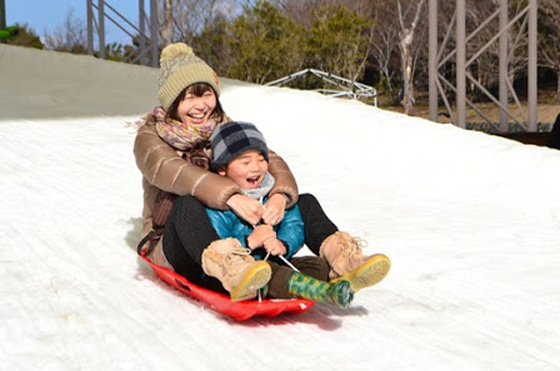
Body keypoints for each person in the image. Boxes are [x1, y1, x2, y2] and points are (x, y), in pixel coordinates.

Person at [134, 42, 390, 303]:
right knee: (187, 206)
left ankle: (343, 260)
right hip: (176, 239)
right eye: (190, 97)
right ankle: (231, 270)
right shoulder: (150, 136)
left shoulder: (223, 128)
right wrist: (231, 197)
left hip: (240, 232)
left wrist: (280, 195)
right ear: (173, 102)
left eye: (207, 95)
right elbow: (176, 172)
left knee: (305, 203)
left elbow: (270, 159)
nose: (201, 106)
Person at [202, 121, 354, 307]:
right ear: (222, 169)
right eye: (245, 162)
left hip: (274, 259)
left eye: (261, 159)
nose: (256, 168)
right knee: (267, 271)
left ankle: (282, 286)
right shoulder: (221, 204)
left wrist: (283, 244)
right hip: (237, 272)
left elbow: (294, 224)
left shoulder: (269, 194)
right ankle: (322, 291)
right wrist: (249, 241)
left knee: (317, 266)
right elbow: (216, 244)